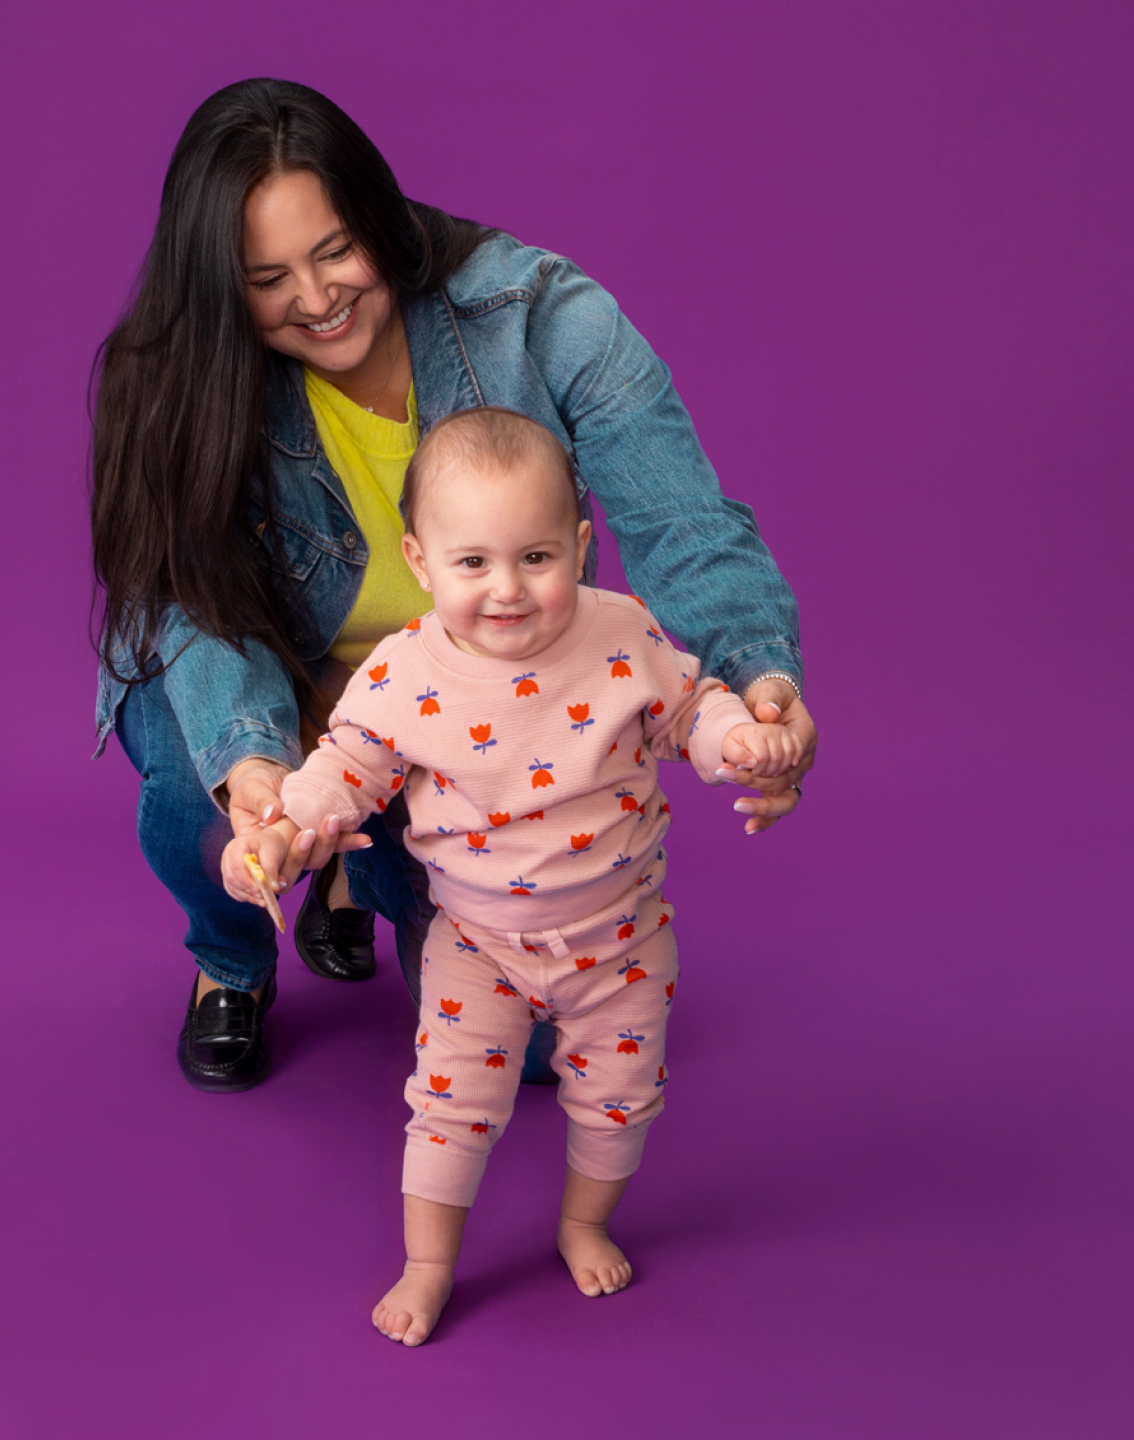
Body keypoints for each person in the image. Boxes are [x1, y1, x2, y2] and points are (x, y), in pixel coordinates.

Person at [91, 78, 815, 1094]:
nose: (317, 297)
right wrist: (260, 779)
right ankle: (232, 959)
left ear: (380, 217)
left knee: (517, 1064)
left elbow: (680, 517)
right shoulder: (173, 373)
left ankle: (356, 873)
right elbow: (192, 601)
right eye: (268, 277)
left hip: (463, 707)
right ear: (218, 287)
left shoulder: (539, 313)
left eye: (336, 250)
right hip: (262, 679)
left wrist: (759, 681)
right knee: (189, 772)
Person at [223, 408, 802, 1344]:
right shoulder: (401, 672)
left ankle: (583, 1222)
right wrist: (291, 826)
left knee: (622, 1097)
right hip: (476, 942)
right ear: (419, 560)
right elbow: (347, 765)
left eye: (537, 558)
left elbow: (688, 707)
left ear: (579, 546)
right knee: (449, 1106)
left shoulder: (622, 635)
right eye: (472, 563)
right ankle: (430, 1263)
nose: (507, 591)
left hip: (621, 938)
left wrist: (739, 738)